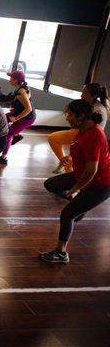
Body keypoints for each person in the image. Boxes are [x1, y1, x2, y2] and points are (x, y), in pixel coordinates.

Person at [40, 99, 110, 264]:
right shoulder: (82, 129)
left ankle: (61, 253)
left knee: (67, 215)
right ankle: (81, 206)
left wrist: (76, 189)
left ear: (82, 116)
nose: (67, 118)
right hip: (83, 175)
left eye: (70, 115)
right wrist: (69, 157)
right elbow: (81, 149)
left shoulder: (94, 136)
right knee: (52, 184)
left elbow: (91, 170)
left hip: (99, 184)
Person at [48, 83, 108, 174]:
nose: (81, 95)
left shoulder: (99, 110)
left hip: (86, 136)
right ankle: (64, 164)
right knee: (53, 138)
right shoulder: (87, 104)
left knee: (72, 157)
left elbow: (94, 131)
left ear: (94, 96)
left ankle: (68, 171)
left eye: (84, 93)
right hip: (78, 133)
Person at [0, 70, 36, 166]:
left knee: (8, 134)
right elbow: (22, 105)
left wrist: (16, 118)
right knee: (2, 119)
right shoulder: (19, 88)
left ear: (16, 80)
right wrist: (15, 110)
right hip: (20, 114)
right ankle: (15, 135)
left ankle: (3, 158)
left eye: (11, 77)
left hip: (27, 118)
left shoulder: (22, 92)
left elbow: (28, 109)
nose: (9, 79)